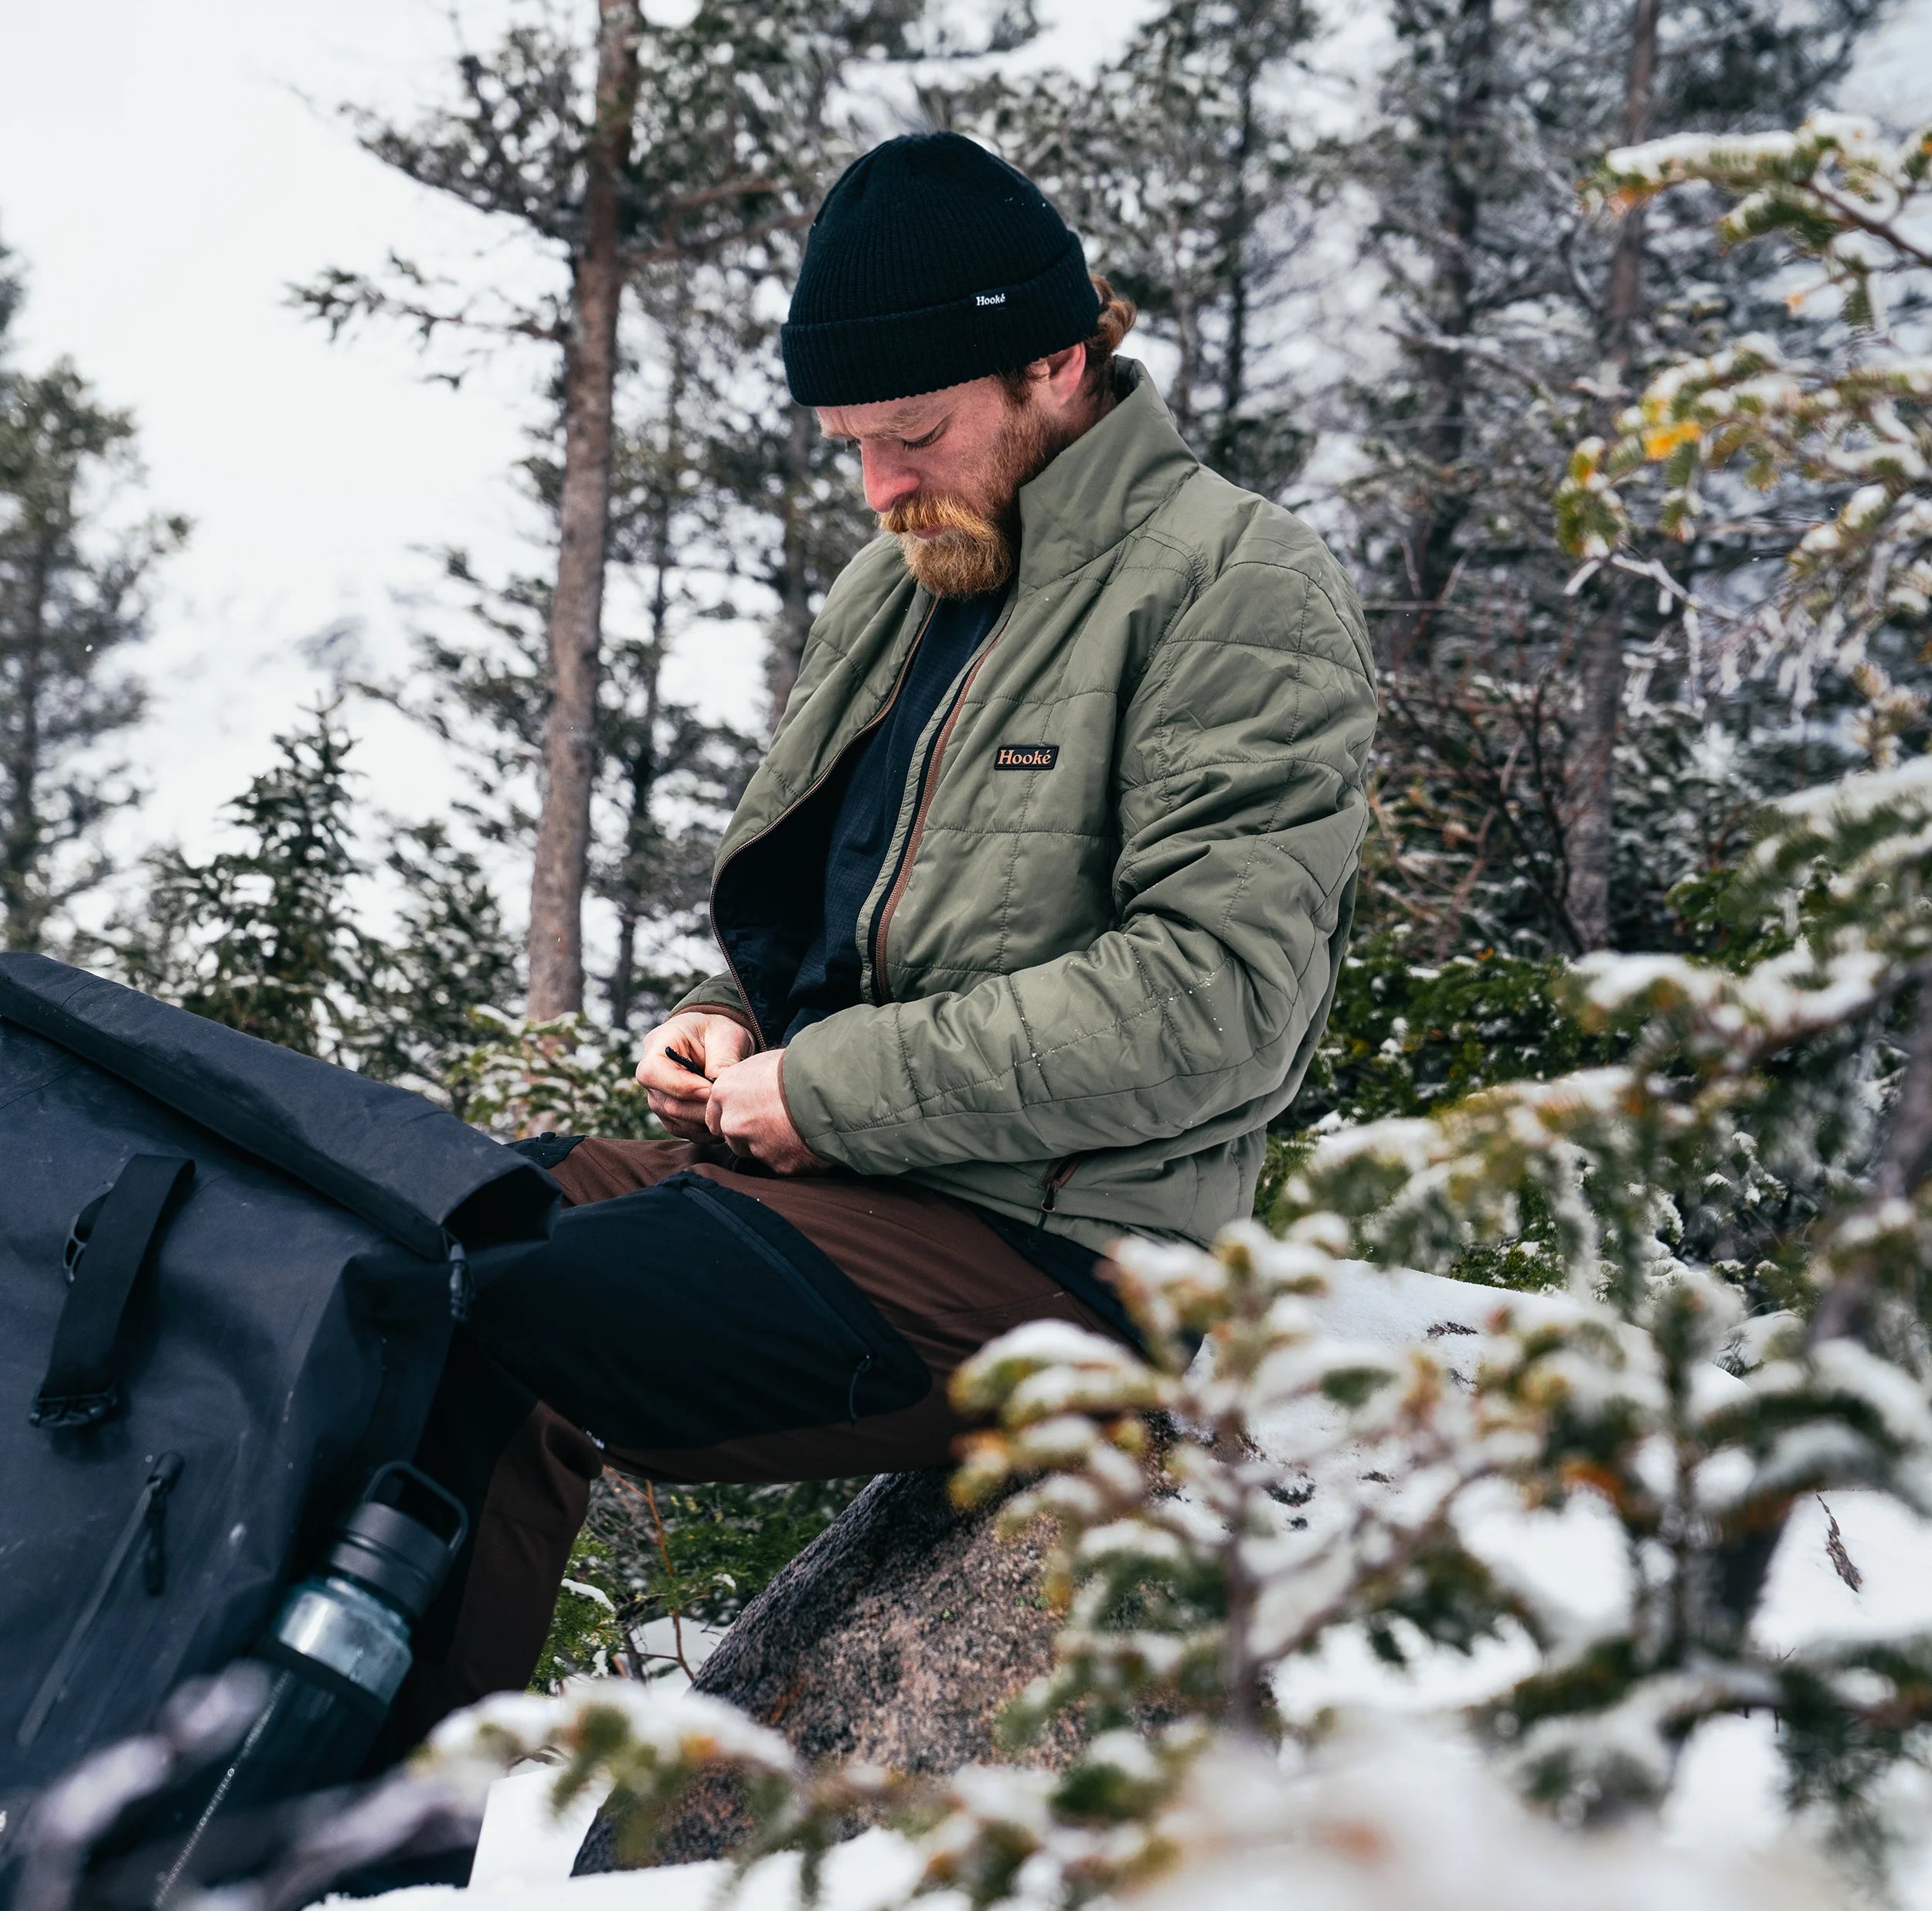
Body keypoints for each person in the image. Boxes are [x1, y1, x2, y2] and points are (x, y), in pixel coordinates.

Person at [393, 130, 1377, 1736]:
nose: (877, 485)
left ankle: (364, 1841)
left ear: (1058, 361)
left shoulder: (1233, 583)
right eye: (848, 444)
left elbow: (1219, 1002)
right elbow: (848, 912)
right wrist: (725, 1024)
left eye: (910, 433)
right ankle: (266, 1782)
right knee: (410, 1221)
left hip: (1066, 1251)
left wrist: (829, 1086)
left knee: (515, 1309)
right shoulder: (899, 575)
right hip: (842, 1170)